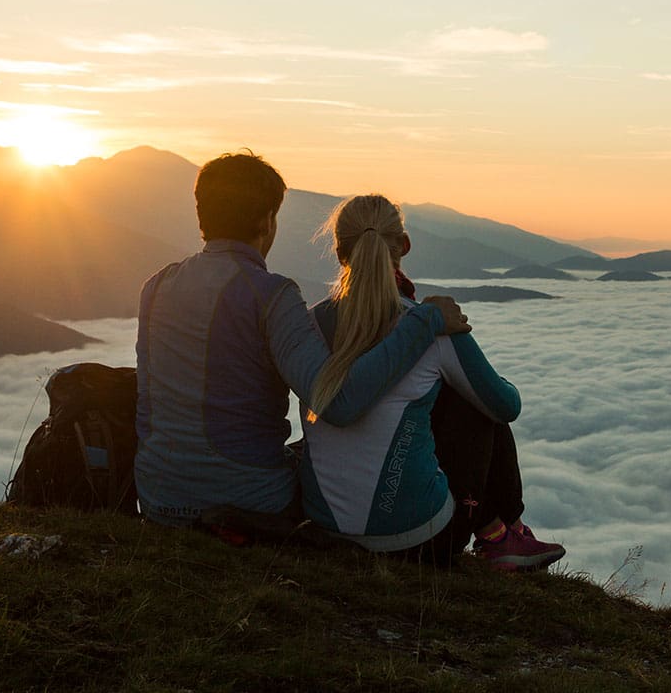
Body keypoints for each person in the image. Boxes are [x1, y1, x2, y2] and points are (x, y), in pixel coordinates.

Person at [133, 152, 470, 527]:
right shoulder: (271, 296)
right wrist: (424, 321)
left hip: (157, 498)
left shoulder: (156, 286)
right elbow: (338, 404)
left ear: (201, 215)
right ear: (267, 220)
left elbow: (147, 402)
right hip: (249, 502)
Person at [298, 194, 565, 570]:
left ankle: (504, 532)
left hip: (325, 526)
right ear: (404, 246)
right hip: (418, 540)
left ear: (339, 251)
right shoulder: (434, 327)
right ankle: (502, 536)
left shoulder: (306, 327)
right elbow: (507, 406)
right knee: (476, 403)